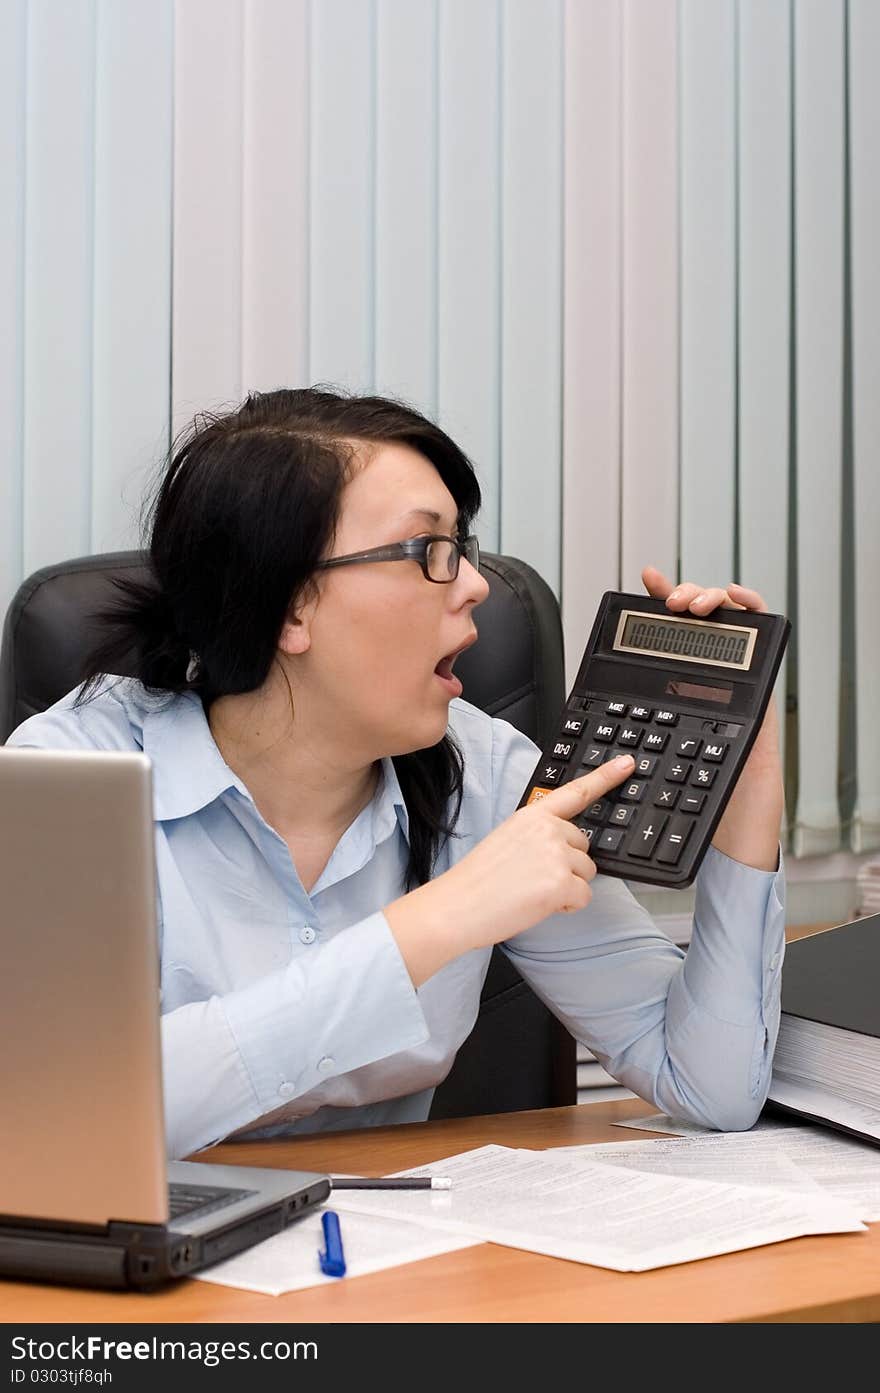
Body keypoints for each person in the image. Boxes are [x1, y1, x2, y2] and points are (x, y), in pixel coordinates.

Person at [6, 387, 785, 1159]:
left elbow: (706, 1082)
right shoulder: (70, 778)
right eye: (428, 552)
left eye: (463, 547)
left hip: (392, 1268)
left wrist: (746, 785)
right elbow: (59, 1115)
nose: (477, 584)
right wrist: (432, 922)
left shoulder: (486, 776)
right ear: (290, 607)